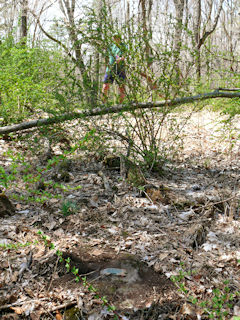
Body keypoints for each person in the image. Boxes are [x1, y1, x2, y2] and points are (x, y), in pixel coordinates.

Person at [102, 33, 127, 103]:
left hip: (120, 69)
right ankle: (103, 104)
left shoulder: (124, 46)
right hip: (110, 68)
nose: (116, 39)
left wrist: (121, 58)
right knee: (105, 86)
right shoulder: (111, 46)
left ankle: (120, 105)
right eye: (114, 38)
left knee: (121, 87)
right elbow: (107, 56)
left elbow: (125, 55)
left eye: (117, 37)